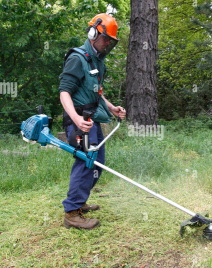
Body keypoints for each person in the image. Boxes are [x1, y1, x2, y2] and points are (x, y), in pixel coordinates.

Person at [59, 13, 126, 230]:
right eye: (106, 38)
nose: (108, 43)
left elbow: (97, 92)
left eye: (111, 41)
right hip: (79, 120)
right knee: (87, 162)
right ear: (93, 32)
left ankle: (80, 202)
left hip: (92, 119)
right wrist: (77, 119)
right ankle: (71, 212)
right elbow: (64, 93)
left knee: (98, 162)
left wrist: (112, 108)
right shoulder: (77, 58)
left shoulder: (98, 61)